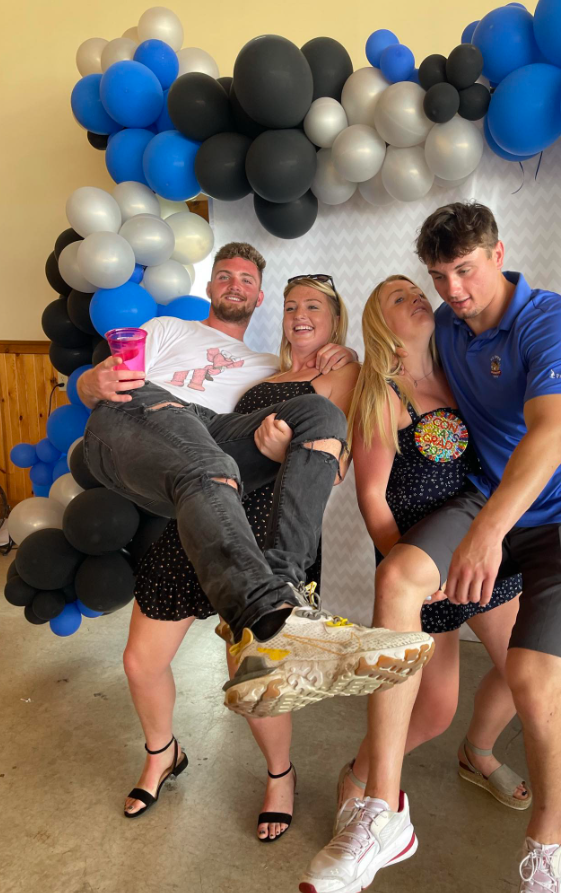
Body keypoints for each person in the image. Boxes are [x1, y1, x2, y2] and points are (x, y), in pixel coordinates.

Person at [300, 204, 561, 893]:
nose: (452, 291)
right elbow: (383, 362)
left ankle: (548, 841)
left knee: (533, 683)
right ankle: (382, 808)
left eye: (466, 271)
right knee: (397, 580)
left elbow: (549, 432)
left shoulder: (550, 320)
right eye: (438, 277)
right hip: (485, 497)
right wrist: (337, 356)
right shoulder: (444, 328)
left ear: (498, 254)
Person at [77, 242, 433, 723]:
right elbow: (108, 383)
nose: (299, 315)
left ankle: (285, 602)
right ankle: (267, 618)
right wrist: (89, 384)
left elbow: (332, 456)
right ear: (210, 286)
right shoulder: (166, 328)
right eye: (225, 276)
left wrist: (341, 360)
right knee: (202, 460)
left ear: (258, 297)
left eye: (313, 307)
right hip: (141, 425)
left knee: (313, 415)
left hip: (218, 476)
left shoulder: (269, 367)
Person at [124, 274, 360, 839]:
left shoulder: (343, 373)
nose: (300, 315)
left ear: (335, 319)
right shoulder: (261, 374)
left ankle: (280, 774)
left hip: (271, 534)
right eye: (291, 305)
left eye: (314, 306)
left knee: (253, 676)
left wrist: (286, 450)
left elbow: (336, 467)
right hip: (208, 512)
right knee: (140, 659)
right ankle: (162, 753)